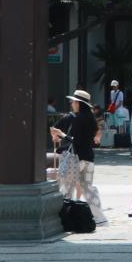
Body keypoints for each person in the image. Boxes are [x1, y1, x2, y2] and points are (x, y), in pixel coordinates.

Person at [50, 88, 109, 225]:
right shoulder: (92, 119)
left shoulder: (78, 119)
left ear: (78, 103)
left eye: (73, 102)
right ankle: (100, 219)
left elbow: (74, 141)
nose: (72, 104)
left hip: (75, 159)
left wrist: (61, 134)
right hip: (88, 159)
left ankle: (64, 219)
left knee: (66, 189)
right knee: (88, 189)